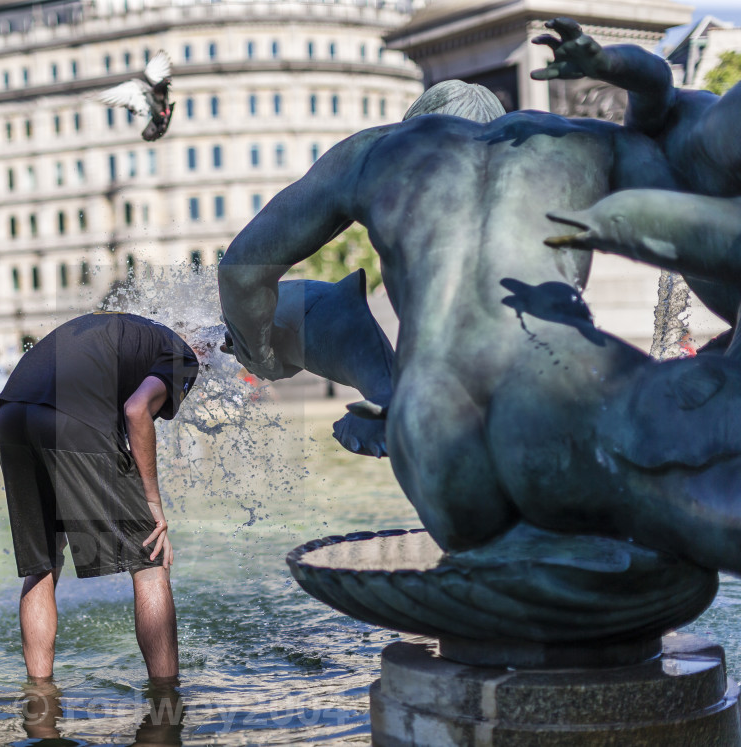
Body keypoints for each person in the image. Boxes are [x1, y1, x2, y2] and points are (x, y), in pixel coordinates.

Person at [218, 79, 741, 574]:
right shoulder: (579, 141)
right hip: (581, 410)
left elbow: (241, 271)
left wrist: (259, 354)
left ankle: (388, 391)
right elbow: (707, 229)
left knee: (301, 307)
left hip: (440, 445)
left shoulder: (377, 153)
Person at [0, 312, 200, 683]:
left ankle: (40, 697)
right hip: (71, 418)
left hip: (9, 414)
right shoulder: (183, 354)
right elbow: (137, 411)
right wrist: (153, 502)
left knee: (43, 564)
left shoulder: (122, 330)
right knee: (150, 560)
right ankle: (166, 696)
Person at [531, 17, 741, 330]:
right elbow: (657, 83)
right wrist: (606, 63)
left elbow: (656, 83)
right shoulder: (683, 130)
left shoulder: (688, 135)